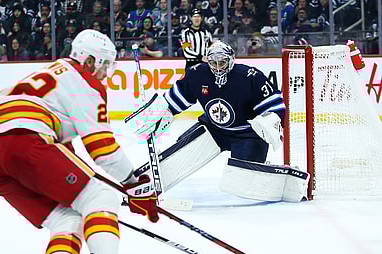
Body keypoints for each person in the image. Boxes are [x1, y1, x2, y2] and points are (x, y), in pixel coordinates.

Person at [0, 29, 158, 254]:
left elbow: (64, 153)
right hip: (26, 139)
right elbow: (103, 150)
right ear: (90, 61)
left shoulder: (51, 73)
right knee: (100, 197)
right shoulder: (85, 82)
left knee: (66, 218)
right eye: (105, 65)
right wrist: (134, 184)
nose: (105, 73)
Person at [127, 41, 308, 203]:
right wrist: (158, 115)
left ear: (231, 60)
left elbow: (275, 104)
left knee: (242, 181)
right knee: (179, 156)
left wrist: (270, 121)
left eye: (222, 62)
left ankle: (286, 182)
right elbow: (175, 100)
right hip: (213, 129)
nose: (218, 67)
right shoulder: (198, 74)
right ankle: (140, 187)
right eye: (213, 62)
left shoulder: (250, 76)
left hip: (247, 134)